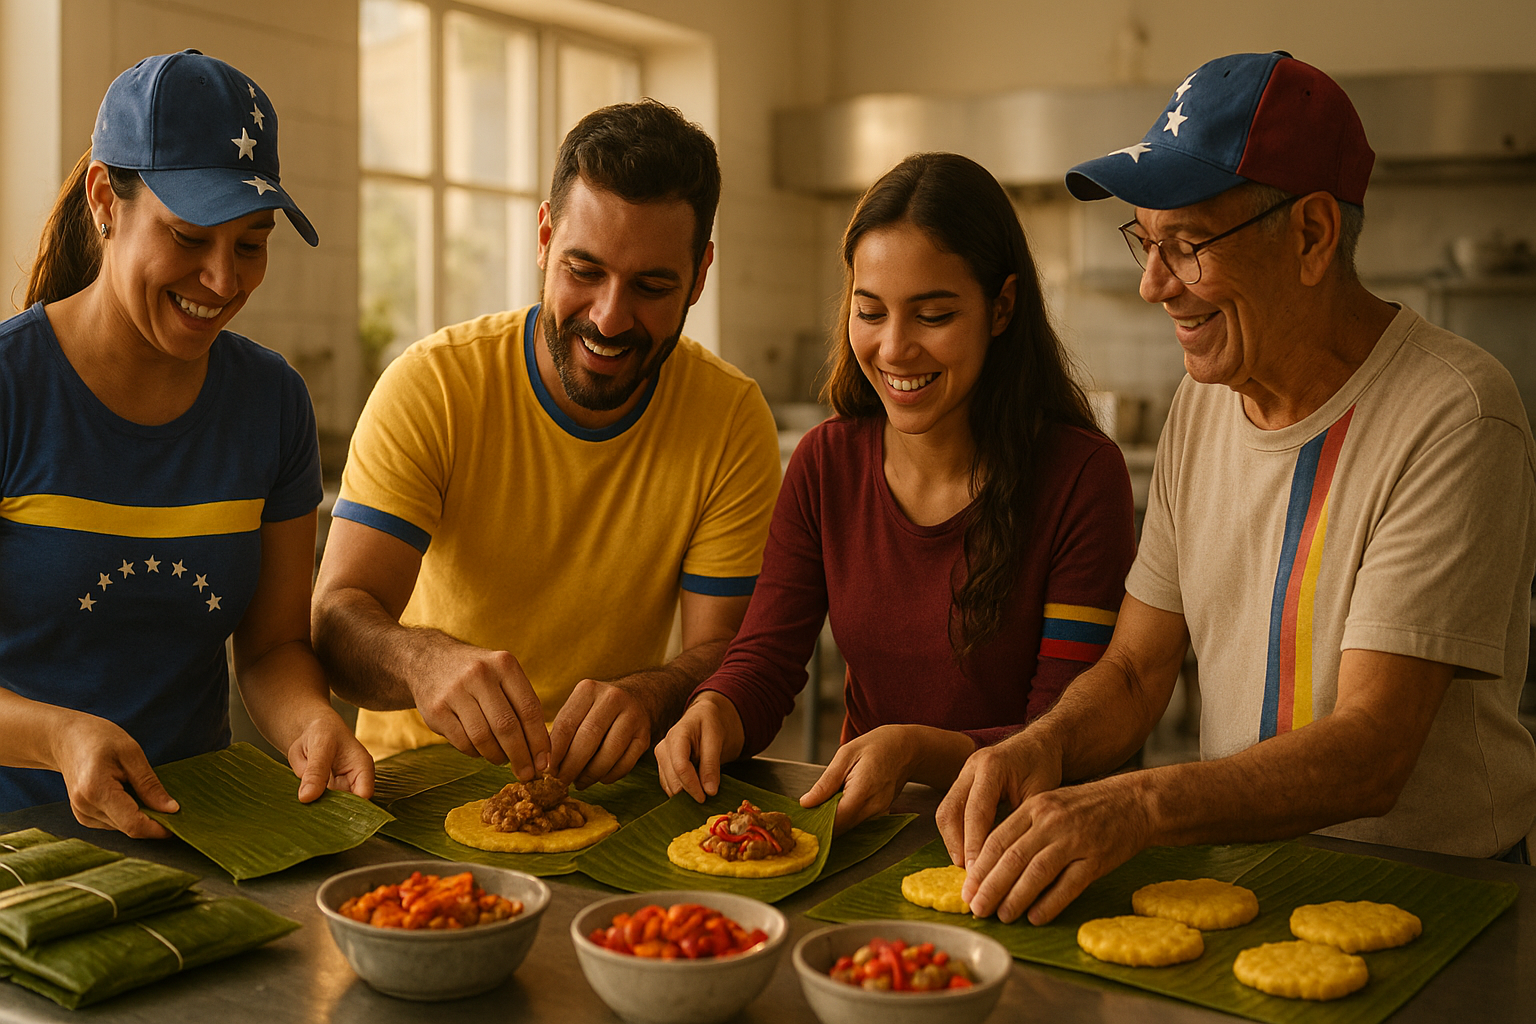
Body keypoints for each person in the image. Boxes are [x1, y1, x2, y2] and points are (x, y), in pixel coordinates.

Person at [938, 51, 1536, 927]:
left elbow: (1374, 749)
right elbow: (1137, 670)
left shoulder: (1454, 413)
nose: (1153, 285)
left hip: (1437, 897)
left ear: (1312, 236)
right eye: (1146, 241)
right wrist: (1043, 746)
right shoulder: (1202, 404)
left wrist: (1138, 804)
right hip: (1246, 881)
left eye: (1187, 246)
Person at [655, 152, 1137, 833]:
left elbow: (1061, 734)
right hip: (869, 830)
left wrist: (916, 750)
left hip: (1026, 837)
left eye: (933, 315)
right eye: (870, 312)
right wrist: (715, 709)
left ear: (1001, 307)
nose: (893, 348)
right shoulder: (826, 463)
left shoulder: (1080, 477)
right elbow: (765, 661)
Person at [312, 100, 781, 789]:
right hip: (410, 790)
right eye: (583, 271)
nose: (609, 318)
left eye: (652, 286)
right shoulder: (435, 385)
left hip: (603, 797)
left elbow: (728, 651)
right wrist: (422, 662)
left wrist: (653, 697)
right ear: (544, 237)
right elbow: (334, 622)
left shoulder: (730, 418)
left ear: (700, 274)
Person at [0, 50, 373, 834]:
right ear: (105, 200)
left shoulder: (272, 402)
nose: (224, 281)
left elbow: (271, 648)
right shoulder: (11, 387)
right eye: (189, 236)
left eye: (251, 244)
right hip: (22, 860)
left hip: (203, 843)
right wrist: (59, 737)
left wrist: (311, 724)